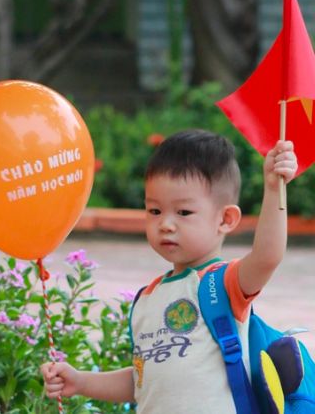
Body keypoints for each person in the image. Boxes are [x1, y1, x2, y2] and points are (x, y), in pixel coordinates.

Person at [41, 130, 299, 413]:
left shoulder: (225, 282)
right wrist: (81, 381)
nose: (166, 224)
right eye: (154, 211)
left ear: (225, 219)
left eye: (183, 213)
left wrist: (274, 189)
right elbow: (144, 381)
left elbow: (267, 256)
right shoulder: (147, 298)